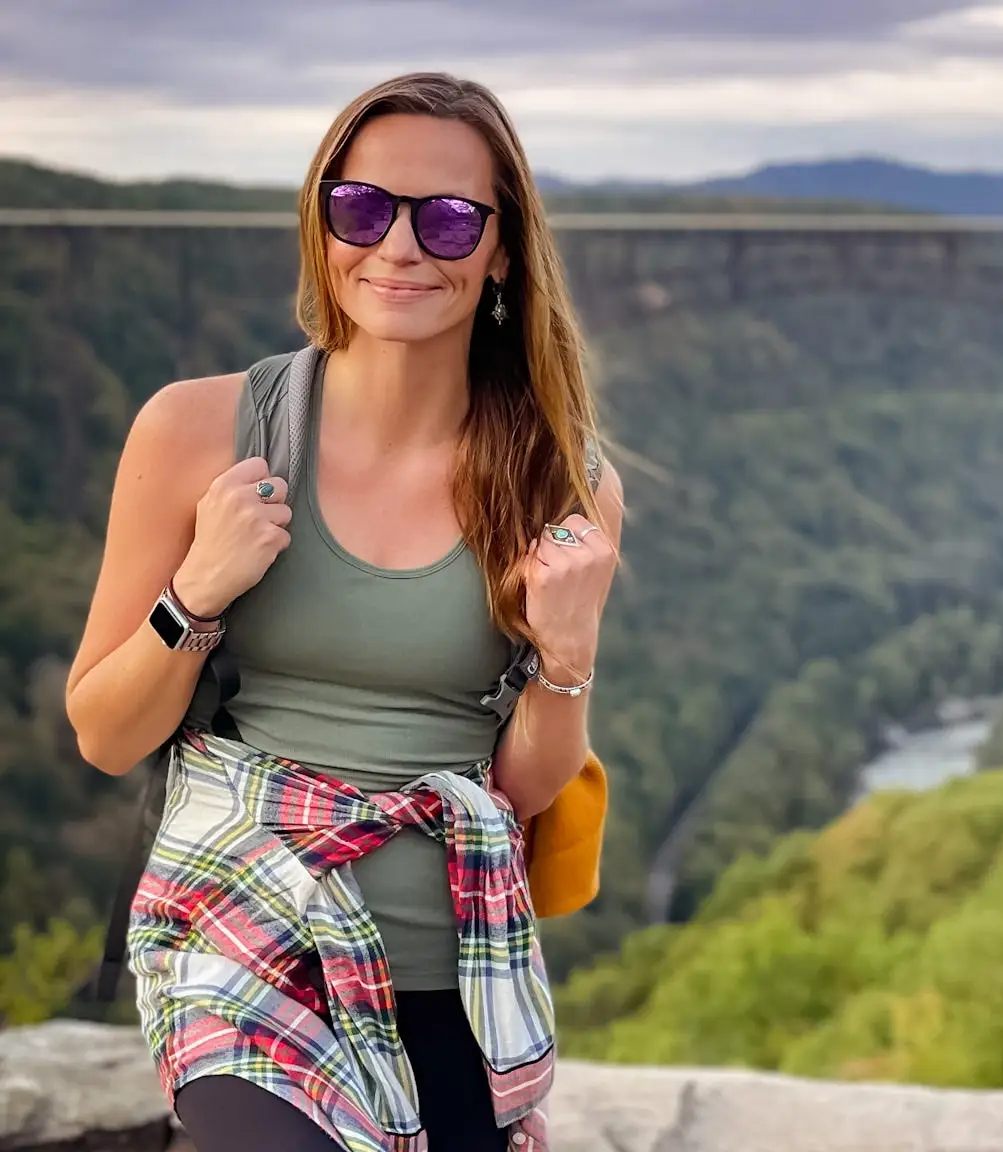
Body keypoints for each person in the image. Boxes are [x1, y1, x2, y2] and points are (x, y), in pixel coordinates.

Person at [63, 72, 623, 1152]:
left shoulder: (564, 484)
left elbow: (525, 786)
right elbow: (105, 732)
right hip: (240, 933)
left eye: (449, 219)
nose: (401, 247)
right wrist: (198, 595)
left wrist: (568, 651)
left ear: (503, 251)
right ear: (322, 225)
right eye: (361, 207)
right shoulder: (196, 431)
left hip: (453, 961)